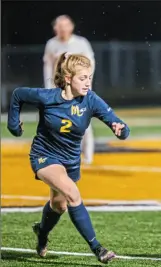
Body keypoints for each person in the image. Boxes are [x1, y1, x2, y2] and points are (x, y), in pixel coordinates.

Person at [7, 52, 130, 264]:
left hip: (71, 161)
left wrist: (121, 130)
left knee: (59, 205)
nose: (87, 82)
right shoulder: (47, 97)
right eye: (82, 78)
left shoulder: (91, 100)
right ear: (67, 78)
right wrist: (13, 125)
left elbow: (119, 124)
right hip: (44, 155)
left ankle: (42, 233)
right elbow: (18, 95)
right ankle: (98, 248)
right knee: (73, 193)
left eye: (89, 77)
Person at [43, 14, 95, 165]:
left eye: (65, 26)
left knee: (84, 120)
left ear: (71, 27)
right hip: (60, 90)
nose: (62, 29)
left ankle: (88, 156)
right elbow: (48, 66)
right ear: (55, 29)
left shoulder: (81, 43)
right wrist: (48, 87)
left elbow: (90, 63)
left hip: (79, 90)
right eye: (59, 26)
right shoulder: (51, 44)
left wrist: (87, 83)